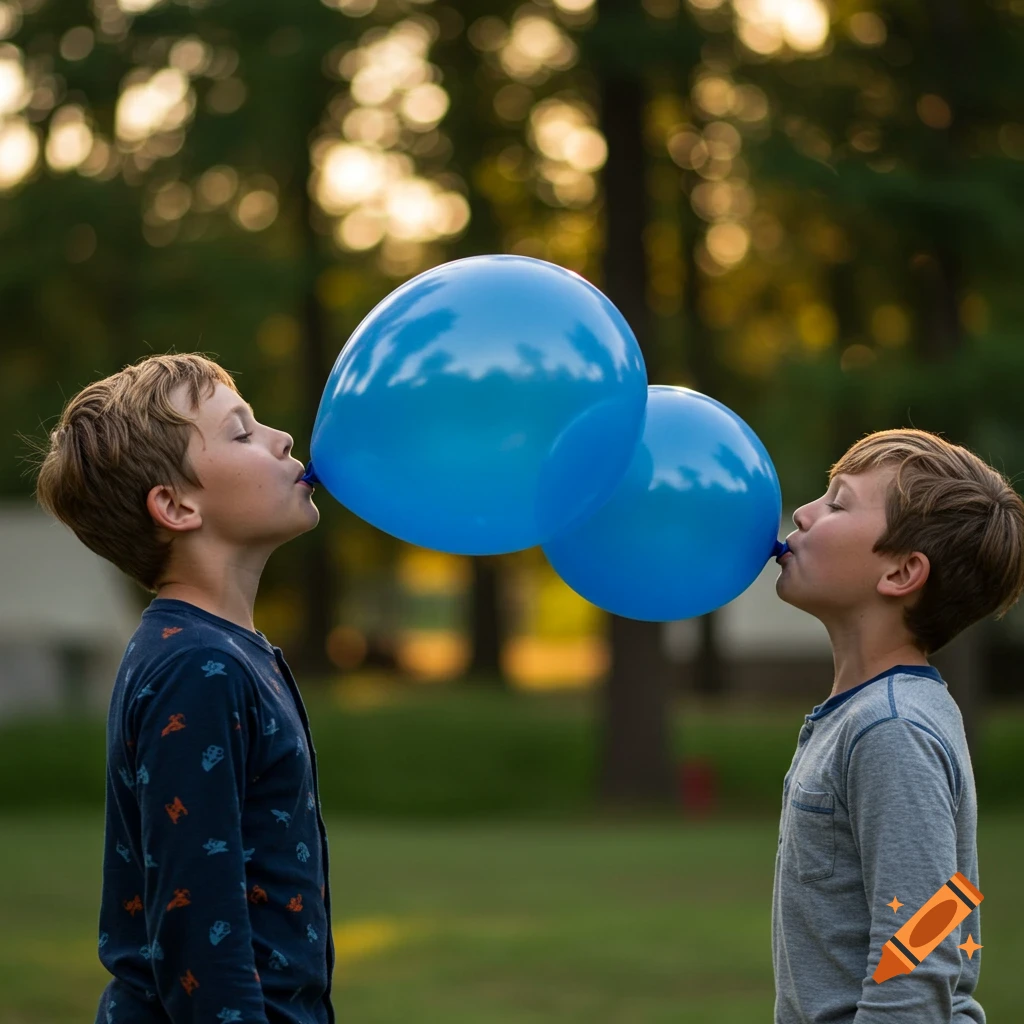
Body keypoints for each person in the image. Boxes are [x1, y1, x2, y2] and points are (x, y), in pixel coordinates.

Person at [32, 353, 332, 1024]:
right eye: (242, 432)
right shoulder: (196, 668)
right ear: (176, 505)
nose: (283, 439)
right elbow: (198, 929)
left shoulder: (220, 653)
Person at [772, 428, 1024, 1024]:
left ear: (902, 573)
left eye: (837, 503)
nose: (803, 515)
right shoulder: (869, 714)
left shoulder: (891, 727)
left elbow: (919, 950)